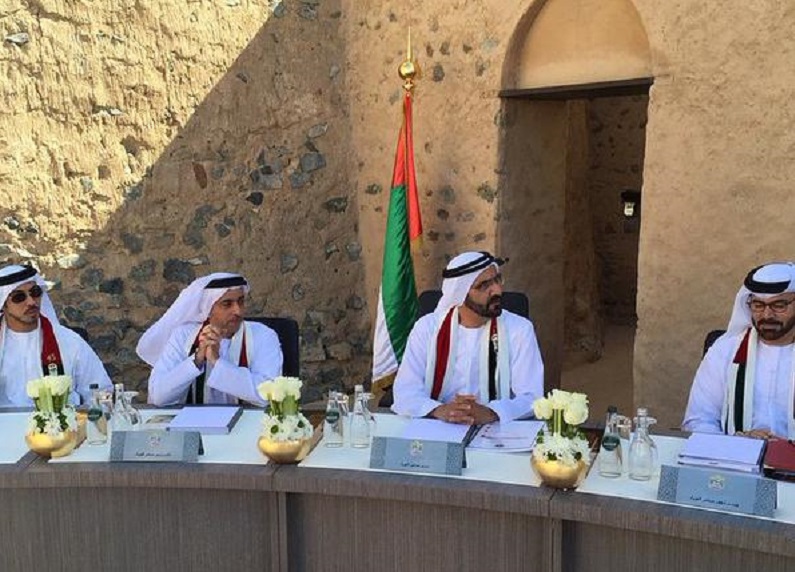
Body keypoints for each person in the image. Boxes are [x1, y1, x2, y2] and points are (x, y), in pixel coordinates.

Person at [392, 251, 544, 424]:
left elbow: (532, 397)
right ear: (460, 293)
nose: (497, 290)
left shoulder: (519, 329)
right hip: (439, 425)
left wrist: (492, 412)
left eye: (497, 280)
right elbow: (405, 391)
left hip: (497, 428)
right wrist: (441, 410)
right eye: (484, 285)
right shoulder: (427, 328)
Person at [683, 262, 795, 439]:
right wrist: (736, 443)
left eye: (779, 305)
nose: (767, 315)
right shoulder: (725, 350)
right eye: (758, 305)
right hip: (735, 455)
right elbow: (698, 421)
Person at [137, 272, 283, 406]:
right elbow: (158, 397)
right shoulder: (183, 335)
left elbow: (268, 395)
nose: (238, 311)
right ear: (209, 308)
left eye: (240, 301)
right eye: (227, 304)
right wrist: (197, 360)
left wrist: (216, 361)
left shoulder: (263, 335)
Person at [0, 264, 111, 406]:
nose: (31, 302)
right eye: (19, 297)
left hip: (61, 419)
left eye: (35, 292)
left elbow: (100, 391)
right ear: (3, 304)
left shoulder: (70, 341)